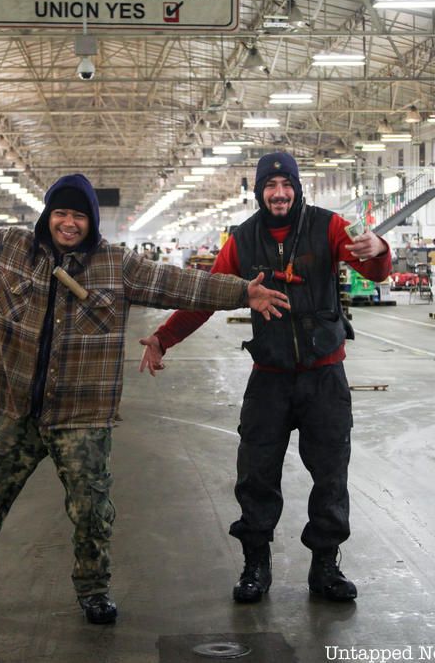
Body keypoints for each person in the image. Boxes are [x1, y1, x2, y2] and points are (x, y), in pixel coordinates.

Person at [0, 173, 289, 630]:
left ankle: (94, 591)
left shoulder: (116, 265)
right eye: (61, 212)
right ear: (48, 215)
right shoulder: (9, 248)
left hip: (81, 415)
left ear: (91, 222)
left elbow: (178, 284)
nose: (69, 223)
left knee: (91, 511)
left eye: (79, 215)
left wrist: (240, 292)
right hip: (16, 411)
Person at [138, 152, 392, 605]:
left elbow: (373, 268)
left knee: (331, 473)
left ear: (297, 188)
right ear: (259, 191)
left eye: (286, 185)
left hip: (324, 376)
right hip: (269, 377)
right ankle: (256, 565)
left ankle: (325, 566)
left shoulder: (328, 227)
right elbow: (208, 297)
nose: (279, 193)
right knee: (255, 475)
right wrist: (163, 337)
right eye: (270, 186)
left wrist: (380, 252)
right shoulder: (242, 239)